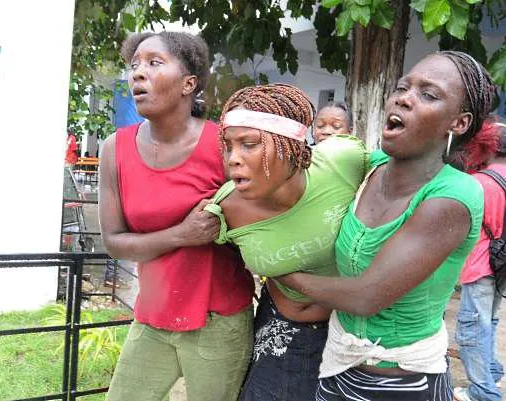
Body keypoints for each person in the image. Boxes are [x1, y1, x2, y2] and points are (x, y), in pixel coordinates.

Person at [277, 50, 496, 400]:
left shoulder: (453, 196)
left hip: (403, 385)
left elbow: (367, 296)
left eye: (428, 95)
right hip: (338, 367)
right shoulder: (367, 165)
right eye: (402, 87)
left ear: (459, 123)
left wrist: (276, 271)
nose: (404, 99)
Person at [98, 31, 255, 401]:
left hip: (218, 319)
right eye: (134, 65)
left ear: (189, 84)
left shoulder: (224, 144)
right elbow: (114, 243)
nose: (137, 73)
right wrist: (182, 234)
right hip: (152, 316)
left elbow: (258, 223)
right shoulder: (113, 150)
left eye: (154, 63)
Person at [203, 83, 369, 401]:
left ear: (289, 145)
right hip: (283, 332)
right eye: (228, 146)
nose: (233, 159)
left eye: (249, 144)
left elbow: (398, 186)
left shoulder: (343, 160)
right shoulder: (229, 207)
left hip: (351, 333)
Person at [453, 123, 506, 401]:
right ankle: (494, 372)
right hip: (502, 267)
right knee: (490, 320)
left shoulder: (480, 183)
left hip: (481, 265)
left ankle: (483, 392)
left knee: (472, 328)